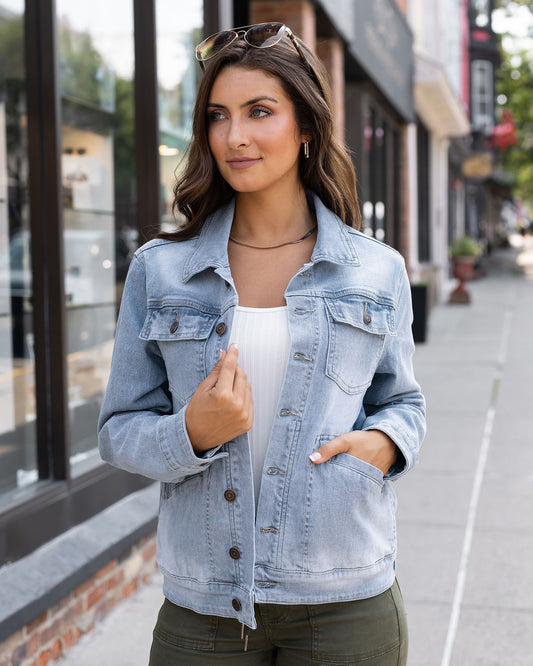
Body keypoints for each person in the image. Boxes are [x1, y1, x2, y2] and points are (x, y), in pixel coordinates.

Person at [98, 22, 426, 665]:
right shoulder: (161, 270)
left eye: (260, 112)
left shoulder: (375, 268)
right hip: (205, 609)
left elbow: (404, 403)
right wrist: (190, 430)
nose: (235, 136)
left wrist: (385, 445)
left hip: (345, 597)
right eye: (218, 116)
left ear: (306, 127)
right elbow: (118, 429)